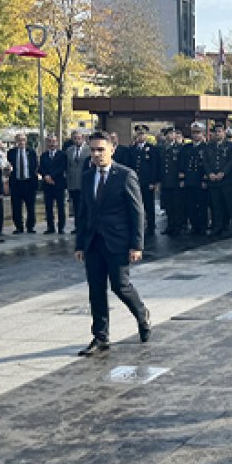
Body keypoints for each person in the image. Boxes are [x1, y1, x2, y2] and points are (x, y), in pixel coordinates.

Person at [74, 132, 151, 356]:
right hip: (93, 243)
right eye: (93, 150)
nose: (97, 155)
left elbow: (137, 213)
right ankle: (100, 336)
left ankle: (141, 313)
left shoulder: (125, 175)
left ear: (112, 150)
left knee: (120, 285)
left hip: (117, 242)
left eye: (101, 150)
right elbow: (83, 212)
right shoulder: (88, 176)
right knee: (96, 290)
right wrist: (80, 244)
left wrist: (137, 245)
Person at [130, 133, 162, 236]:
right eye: (138, 134)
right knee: (136, 205)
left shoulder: (152, 149)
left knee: (149, 205)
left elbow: (154, 166)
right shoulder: (133, 149)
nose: (140, 137)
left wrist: (154, 181)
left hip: (147, 182)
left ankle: (151, 226)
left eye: (142, 134)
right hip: (135, 182)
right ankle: (138, 225)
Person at [7, 134, 38, 234]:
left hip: (29, 182)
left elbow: (35, 166)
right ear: (15, 141)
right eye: (19, 140)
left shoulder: (32, 152)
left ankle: (30, 226)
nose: (21, 142)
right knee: (16, 206)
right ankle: (19, 227)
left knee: (30, 206)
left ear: (26, 141)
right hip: (16, 182)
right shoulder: (11, 153)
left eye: (23, 140)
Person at [38, 135, 67, 234]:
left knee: (60, 207)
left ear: (57, 143)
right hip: (47, 185)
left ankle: (61, 227)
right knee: (48, 207)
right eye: (50, 141)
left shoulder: (62, 155)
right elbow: (41, 168)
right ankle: (50, 227)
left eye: (54, 141)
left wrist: (51, 176)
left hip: (58, 183)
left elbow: (62, 167)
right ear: (47, 143)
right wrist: (45, 176)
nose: (52, 144)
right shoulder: (44, 155)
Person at [64, 130, 88, 232]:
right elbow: (67, 167)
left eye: (79, 138)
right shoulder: (69, 150)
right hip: (73, 183)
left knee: (85, 206)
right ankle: (77, 227)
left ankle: (86, 226)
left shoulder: (89, 150)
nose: (77, 140)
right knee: (76, 207)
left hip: (85, 183)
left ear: (83, 138)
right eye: (75, 138)